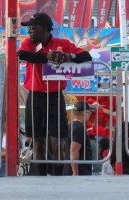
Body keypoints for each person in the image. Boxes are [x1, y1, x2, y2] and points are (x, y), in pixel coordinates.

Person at [17, 12, 92, 176]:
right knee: (38, 141)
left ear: (44, 29)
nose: (29, 31)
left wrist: (69, 56)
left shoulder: (62, 43)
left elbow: (86, 56)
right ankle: (41, 176)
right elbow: (21, 54)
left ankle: (58, 176)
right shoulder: (29, 44)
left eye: (33, 27)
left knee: (57, 141)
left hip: (55, 97)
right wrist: (46, 57)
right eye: (28, 28)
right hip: (34, 96)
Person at [65, 100, 95, 176]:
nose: (90, 115)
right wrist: (75, 173)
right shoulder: (79, 128)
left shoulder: (70, 126)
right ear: (86, 113)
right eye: (89, 112)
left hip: (70, 171)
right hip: (81, 173)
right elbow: (74, 150)